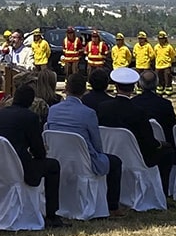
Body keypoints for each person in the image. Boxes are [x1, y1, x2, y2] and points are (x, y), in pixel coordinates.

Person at [0, 82, 65, 228]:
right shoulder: (30, 117)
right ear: (31, 101)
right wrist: (39, 151)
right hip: (18, 168)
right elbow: (39, 152)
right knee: (53, 165)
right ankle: (52, 215)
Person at [46, 71, 123, 214]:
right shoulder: (88, 113)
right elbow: (97, 144)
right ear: (84, 90)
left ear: (66, 89)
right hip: (84, 161)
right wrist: (99, 154)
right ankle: (113, 206)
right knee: (115, 162)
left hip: (58, 158)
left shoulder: (53, 110)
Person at [99, 65, 173, 194]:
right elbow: (149, 141)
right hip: (137, 156)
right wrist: (161, 144)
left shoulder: (103, 107)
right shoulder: (138, 111)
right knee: (167, 152)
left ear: (116, 86)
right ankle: (164, 191)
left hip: (109, 152)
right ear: (134, 87)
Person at [127, 72, 176, 194]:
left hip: (137, 147)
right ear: (156, 84)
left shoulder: (133, 103)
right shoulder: (164, 104)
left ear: (140, 84)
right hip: (159, 148)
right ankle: (165, 189)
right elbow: (173, 127)